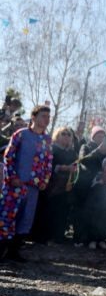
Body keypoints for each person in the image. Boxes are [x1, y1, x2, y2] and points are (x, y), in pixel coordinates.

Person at [0, 105, 53, 261]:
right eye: (44, 116)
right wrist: (12, 177)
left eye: (48, 117)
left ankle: (14, 251)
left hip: (33, 187)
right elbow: (8, 157)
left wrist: (45, 180)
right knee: (7, 216)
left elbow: (49, 162)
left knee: (25, 218)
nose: (47, 120)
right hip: (15, 185)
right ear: (34, 117)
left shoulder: (47, 140)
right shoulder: (20, 135)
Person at [31, 127, 78, 244]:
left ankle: (57, 237)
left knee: (61, 212)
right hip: (50, 186)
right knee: (47, 211)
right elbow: (46, 165)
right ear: (57, 135)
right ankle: (41, 237)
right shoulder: (51, 149)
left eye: (69, 134)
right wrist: (64, 168)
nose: (66, 136)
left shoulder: (72, 153)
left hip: (65, 187)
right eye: (64, 134)